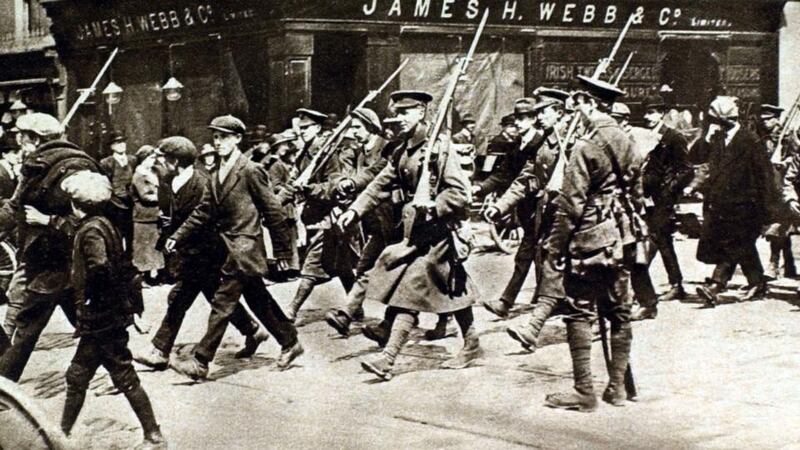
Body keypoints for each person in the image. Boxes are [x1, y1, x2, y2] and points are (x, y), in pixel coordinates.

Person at [337, 90, 482, 379]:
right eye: (397, 112)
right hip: (413, 234)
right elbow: (379, 184)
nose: (398, 118)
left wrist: (434, 206)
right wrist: (355, 210)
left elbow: (460, 193)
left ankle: (388, 359)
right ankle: (472, 342)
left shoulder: (439, 148)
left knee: (410, 292)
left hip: (439, 233)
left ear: (422, 113)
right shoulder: (404, 150)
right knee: (450, 288)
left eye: (406, 112)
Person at [165, 115, 302, 379]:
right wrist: (178, 236)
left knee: (223, 301)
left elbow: (273, 211)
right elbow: (203, 211)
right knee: (258, 299)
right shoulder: (215, 172)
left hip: (244, 248)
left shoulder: (250, 170)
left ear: (237, 138)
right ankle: (291, 342)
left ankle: (201, 361)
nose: (218, 142)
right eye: (215, 137)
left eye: (224, 137)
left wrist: (283, 251)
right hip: (227, 248)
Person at [542, 75, 642, 412]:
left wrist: (555, 247)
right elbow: (638, 196)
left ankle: (584, 391)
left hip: (589, 239)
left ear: (588, 104)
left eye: (578, 106)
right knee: (620, 312)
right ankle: (617, 389)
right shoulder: (629, 141)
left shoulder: (586, 145)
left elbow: (571, 203)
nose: (575, 113)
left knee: (578, 311)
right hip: (623, 237)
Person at [134, 136, 270, 371]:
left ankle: (160, 351)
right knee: (213, 297)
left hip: (206, 253)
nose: (159, 163)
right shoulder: (169, 180)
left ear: (175, 161)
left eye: (163, 159)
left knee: (180, 298)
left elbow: (210, 219)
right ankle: (252, 330)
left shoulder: (202, 182)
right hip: (188, 252)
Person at [58, 170, 166, 448]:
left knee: (118, 375)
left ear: (76, 205)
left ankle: (154, 436)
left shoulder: (91, 230)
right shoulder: (105, 224)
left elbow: (100, 268)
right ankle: (61, 434)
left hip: (101, 320)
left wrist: (93, 301)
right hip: (107, 318)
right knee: (78, 375)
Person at [0, 113, 103, 381]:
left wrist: (49, 220)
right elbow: (14, 207)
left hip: (57, 263)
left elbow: (94, 219)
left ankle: (3, 388)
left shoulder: (74, 167)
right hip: (43, 259)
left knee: (27, 326)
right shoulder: (38, 166)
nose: (19, 142)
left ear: (35, 139)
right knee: (89, 325)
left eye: (22, 137)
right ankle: (121, 371)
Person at [480, 89, 570, 350]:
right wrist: (499, 206)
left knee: (573, 266)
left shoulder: (575, 140)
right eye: (537, 112)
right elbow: (524, 179)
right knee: (549, 260)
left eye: (542, 111)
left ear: (560, 113)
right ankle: (538, 321)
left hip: (575, 215)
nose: (538, 116)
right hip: (551, 212)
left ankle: (563, 314)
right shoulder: (543, 144)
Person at [692, 96, 777, 307]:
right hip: (722, 205)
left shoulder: (750, 141)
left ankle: (716, 284)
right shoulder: (718, 139)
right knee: (743, 246)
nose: (712, 122)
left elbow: (764, 177)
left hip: (746, 206)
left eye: (715, 119)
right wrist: (705, 137)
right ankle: (757, 282)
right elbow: (698, 159)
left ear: (724, 119)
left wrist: (769, 212)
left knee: (733, 244)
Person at [325, 108, 400, 336]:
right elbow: (344, 176)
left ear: (370, 126)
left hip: (395, 221)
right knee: (365, 268)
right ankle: (348, 315)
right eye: (351, 128)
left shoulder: (388, 148)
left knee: (405, 274)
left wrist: (351, 183)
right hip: (374, 222)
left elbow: (375, 174)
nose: (353, 133)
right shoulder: (357, 153)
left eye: (357, 128)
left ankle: (446, 317)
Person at [478, 97, 545, 320]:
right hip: (526, 206)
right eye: (516, 118)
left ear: (534, 119)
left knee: (529, 252)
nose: (518, 122)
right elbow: (503, 174)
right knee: (536, 252)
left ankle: (507, 302)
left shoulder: (540, 143)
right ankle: (544, 297)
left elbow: (527, 179)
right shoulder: (517, 145)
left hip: (542, 206)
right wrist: (481, 189)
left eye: (524, 118)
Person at [629, 94, 694, 321]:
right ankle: (677, 284)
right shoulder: (644, 136)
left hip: (663, 198)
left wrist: (669, 190)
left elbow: (687, 170)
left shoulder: (673, 137)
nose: (648, 116)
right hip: (646, 196)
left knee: (654, 236)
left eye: (653, 112)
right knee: (663, 239)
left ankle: (641, 285)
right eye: (646, 112)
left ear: (662, 113)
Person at [758, 104, 796, 279]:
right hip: (771, 185)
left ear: (776, 119)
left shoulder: (788, 136)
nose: (764, 122)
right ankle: (789, 264)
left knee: (780, 224)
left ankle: (774, 263)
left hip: (784, 184)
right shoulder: (763, 137)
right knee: (781, 225)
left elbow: (796, 156)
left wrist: (786, 161)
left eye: (768, 119)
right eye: (763, 119)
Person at [100, 131, 137, 256]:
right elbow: (105, 184)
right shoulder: (106, 163)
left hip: (131, 203)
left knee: (131, 234)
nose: (121, 145)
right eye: (117, 143)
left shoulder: (132, 160)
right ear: (112, 146)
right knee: (116, 233)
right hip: (115, 205)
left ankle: (130, 259)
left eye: (123, 142)